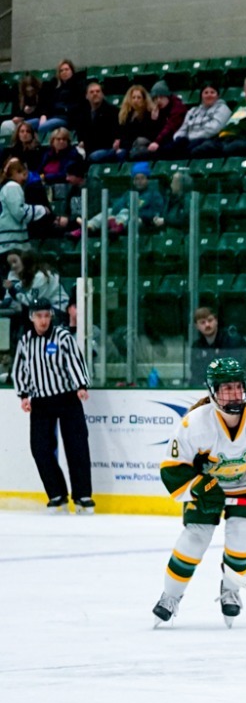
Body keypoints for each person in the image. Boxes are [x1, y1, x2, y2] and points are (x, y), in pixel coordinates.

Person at [152, 356, 246, 625]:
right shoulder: (195, 424)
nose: (234, 394)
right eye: (226, 388)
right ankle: (170, 596)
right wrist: (201, 486)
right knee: (196, 537)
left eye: (237, 387)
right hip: (208, 484)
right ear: (213, 392)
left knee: (243, 535)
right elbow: (171, 469)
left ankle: (231, 591)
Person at [13, 298, 92, 513]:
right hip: (41, 401)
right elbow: (20, 368)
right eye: (39, 316)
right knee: (40, 448)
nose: (43, 320)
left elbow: (75, 361)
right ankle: (57, 494)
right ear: (31, 318)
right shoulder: (26, 341)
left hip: (67, 398)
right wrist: (23, 395)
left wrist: (81, 385)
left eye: (47, 315)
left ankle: (83, 495)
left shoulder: (63, 337)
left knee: (77, 447)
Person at [198, 75, 246, 156]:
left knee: (229, 150)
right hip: (223, 139)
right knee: (200, 150)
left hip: (242, 138)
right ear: (245, 89)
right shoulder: (241, 104)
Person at [160, 82, 230, 158]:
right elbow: (183, 128)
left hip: (209, 139)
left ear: (217, 96)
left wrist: (190, 138)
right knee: (166, 149)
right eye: (206, 93)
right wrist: (179, 138)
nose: (209, 95)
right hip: (189, 141)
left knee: (190, 150)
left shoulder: (223, 108)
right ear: (201, 96)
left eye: (212, 92)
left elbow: (213, 129)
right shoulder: (193, 111)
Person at [0, 160, 51, 253]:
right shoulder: (12, 186)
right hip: (11, 242)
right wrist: (41, 210)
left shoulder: (6, 187)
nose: (25, 177)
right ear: (15, 173)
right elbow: (19, 212)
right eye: (22, 173)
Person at [128, 82, 187, 159]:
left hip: (175, 139)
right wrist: (154, 120)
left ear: (167, 96)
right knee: (139, 141)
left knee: (140, 154)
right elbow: (152, 133)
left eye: (161, 97)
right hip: (161, 141)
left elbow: (169, 127)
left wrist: (157, 142)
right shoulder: (158, 109)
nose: (158, 100)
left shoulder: (177, 107)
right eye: (155, 98)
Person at [76, 81, 121, 162]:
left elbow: (114, 134)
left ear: (102, 94)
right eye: (92, 92)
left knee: (94, 157)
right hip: (88, 149)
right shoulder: (82, 113)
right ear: (86, 96)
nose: (95, 94)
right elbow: (80, 134)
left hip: (107, 148)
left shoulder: (113, 111)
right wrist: (81, 142)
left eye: (98, 91)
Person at [46, 61, 89, 133]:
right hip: (55, 116)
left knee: (43, 127)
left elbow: (79, 104)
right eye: (61, 71)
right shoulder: (55, 87)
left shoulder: (78, 85)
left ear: (72, 71)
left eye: (66, 69)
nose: (64, 72)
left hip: (69, 117)